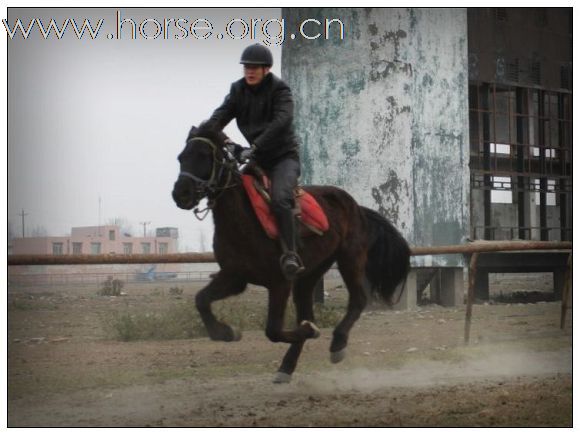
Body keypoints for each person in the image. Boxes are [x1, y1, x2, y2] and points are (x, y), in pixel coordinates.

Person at [204, 43, 304, 280]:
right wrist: (228, 144)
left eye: (255, 68)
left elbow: (281, 122)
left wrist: (254, 147)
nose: (250, 71)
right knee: (230, 196)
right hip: (256, 159)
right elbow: (216, 121)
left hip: (283, 159)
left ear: (266, 69)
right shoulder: (237, 90)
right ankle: (231, 259)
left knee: (280, 199)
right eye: (247, 67)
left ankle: (291, 254)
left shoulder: (281, 91)